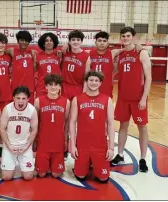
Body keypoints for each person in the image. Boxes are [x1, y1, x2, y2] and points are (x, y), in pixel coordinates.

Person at [111, 27, 152, 173]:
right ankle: (120, 154)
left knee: (142, 127)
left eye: (128, 36)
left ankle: (142, 158)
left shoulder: (141, 53)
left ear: (133, 37)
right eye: (123, 36)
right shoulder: (120, 55)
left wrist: (143, 98)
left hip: (137, 98)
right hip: (123, 97)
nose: (126, 38)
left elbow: (149, 78)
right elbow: (113, 72)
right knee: (123, 126)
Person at [69, 71, 115, 183]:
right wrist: (73, 145)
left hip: (100, 144)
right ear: (86, 82)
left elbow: (110, 124)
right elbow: (72, 122)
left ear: (100, 83)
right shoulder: (77, 99)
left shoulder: (107, 99)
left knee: (103, 178)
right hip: (82, 144)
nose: (93, 83)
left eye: (96, 81)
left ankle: (93, 163)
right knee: (80, 177)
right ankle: (85, 165)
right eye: (91, 80)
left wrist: (111, 147)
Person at [0, 86, 38, 181]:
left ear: (28, 99)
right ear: (13, 98)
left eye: (24, 98)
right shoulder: (7, 109)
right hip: (10, 145)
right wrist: (8, 145)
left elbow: (34, 130)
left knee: (28, 177)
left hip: (25, 146)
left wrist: (27, 146)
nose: (20, 101)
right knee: (6, 177)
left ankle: (22, 163)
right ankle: (3, 159)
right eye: (18, 98)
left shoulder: (32, 110)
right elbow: (2, 129)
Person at [34, 74, 70, 178]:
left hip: (58, 141)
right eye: (50, 84)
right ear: (46, 87)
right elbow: (35, 122)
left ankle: (52, 165)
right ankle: (46, 165)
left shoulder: (66, 102)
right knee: (41, 174)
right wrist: (35, 140)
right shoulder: (38, 101)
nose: (53, 87)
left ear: (60, 87)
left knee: (56, 174)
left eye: (56, 85)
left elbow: (66, 122)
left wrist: (66, 139)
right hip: (43, 140)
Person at [6, 31, 36, 104]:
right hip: (16, 87)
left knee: (29, 109)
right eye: (22, 40)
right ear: (18, 41)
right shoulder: (12, 50)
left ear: (29, 42)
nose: (24, 42)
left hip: (30, 88)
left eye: (26, 40)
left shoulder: (33, 52)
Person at [61, 30, 91, 101]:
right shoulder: (65, 52)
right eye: (73, 40)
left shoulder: (86, 56)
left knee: (76, 110)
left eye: (78, 40)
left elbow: (86, 76)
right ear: (69, 41)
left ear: (81, 41)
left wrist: (84, 91)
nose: (75, 42)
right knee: (66, 110)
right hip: (64, 86)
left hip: (78, 87)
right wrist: (65, 45)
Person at [35, 33, 61, 97]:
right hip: (41, 87)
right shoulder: (37, 56)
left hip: (54, 88)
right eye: (46, 41)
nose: (49, 42)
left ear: (54, 42)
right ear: (43, 44)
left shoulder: (59, 55)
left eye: (51, 40)